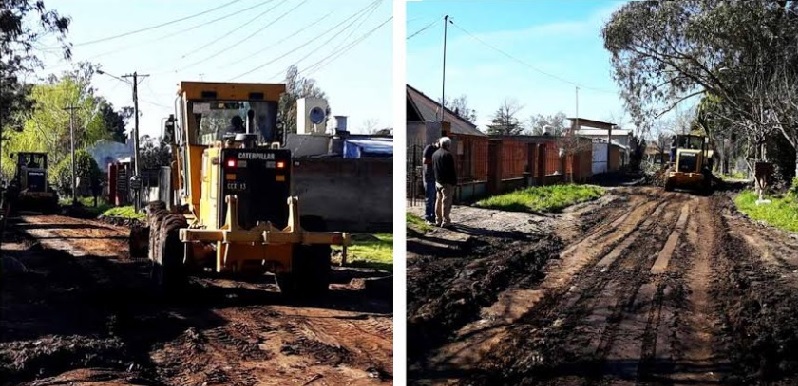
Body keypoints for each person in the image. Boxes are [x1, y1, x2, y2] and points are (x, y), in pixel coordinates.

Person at [432, 137, 457, 228]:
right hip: (447, 182)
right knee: (446, 202)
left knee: (438, 201)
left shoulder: (435, 154)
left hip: (438, 181)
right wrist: (454, 182)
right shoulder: (447, 155)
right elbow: (451, 170)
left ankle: (438, 220)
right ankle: (446, 221)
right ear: (448, 145)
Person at [421, 139, 439, 224]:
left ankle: (434, 216)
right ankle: (428, 217)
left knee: (436, 198)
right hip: (429, 176)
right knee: (430, 198)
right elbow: (425, 161)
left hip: (437, 176)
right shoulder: (429, 148)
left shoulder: (439, 150)